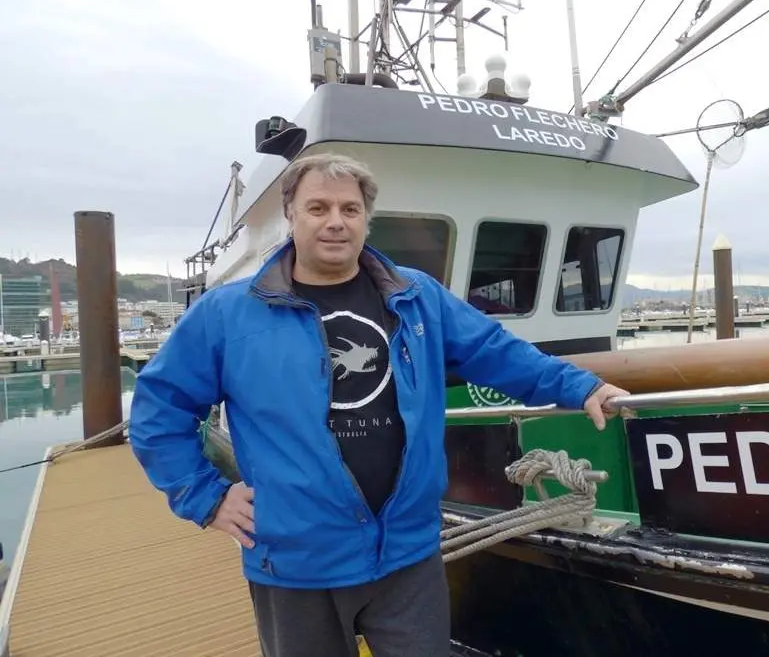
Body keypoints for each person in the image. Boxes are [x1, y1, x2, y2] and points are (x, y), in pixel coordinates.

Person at [128, 152, 630, 657]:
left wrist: (581, 387)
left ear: (367, 219)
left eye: (349, 209)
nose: (335, 222)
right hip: (297, 562)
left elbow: (496, 353)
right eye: (317, 208)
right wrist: (206, 497)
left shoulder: (417, 297)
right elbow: (159, 410)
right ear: (292, 216)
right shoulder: (227, 314)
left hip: (405, 555)